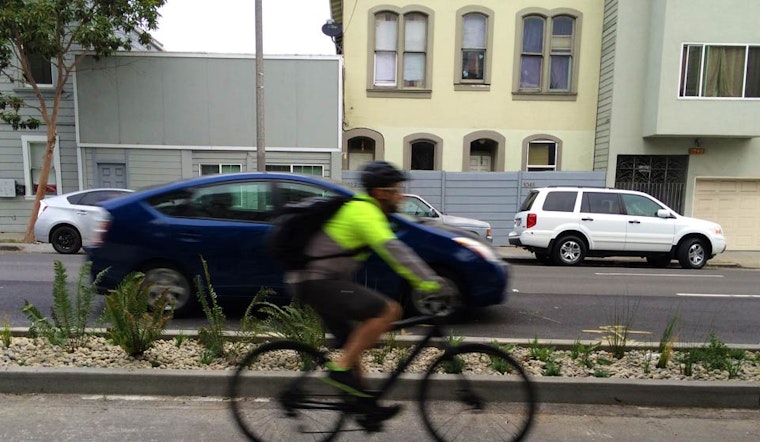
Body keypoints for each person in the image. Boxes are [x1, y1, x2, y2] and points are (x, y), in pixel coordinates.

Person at [285, 160, 442, 417]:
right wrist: (431, 282)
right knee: (389, 311)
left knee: (351, 342)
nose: (401, 197)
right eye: (397, 190)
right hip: (317, 281)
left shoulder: (365, 210)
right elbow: (394, 250)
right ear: (381, 193)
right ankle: (341, 370)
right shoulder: (365, 211)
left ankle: (364, 406)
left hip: (312, 281)